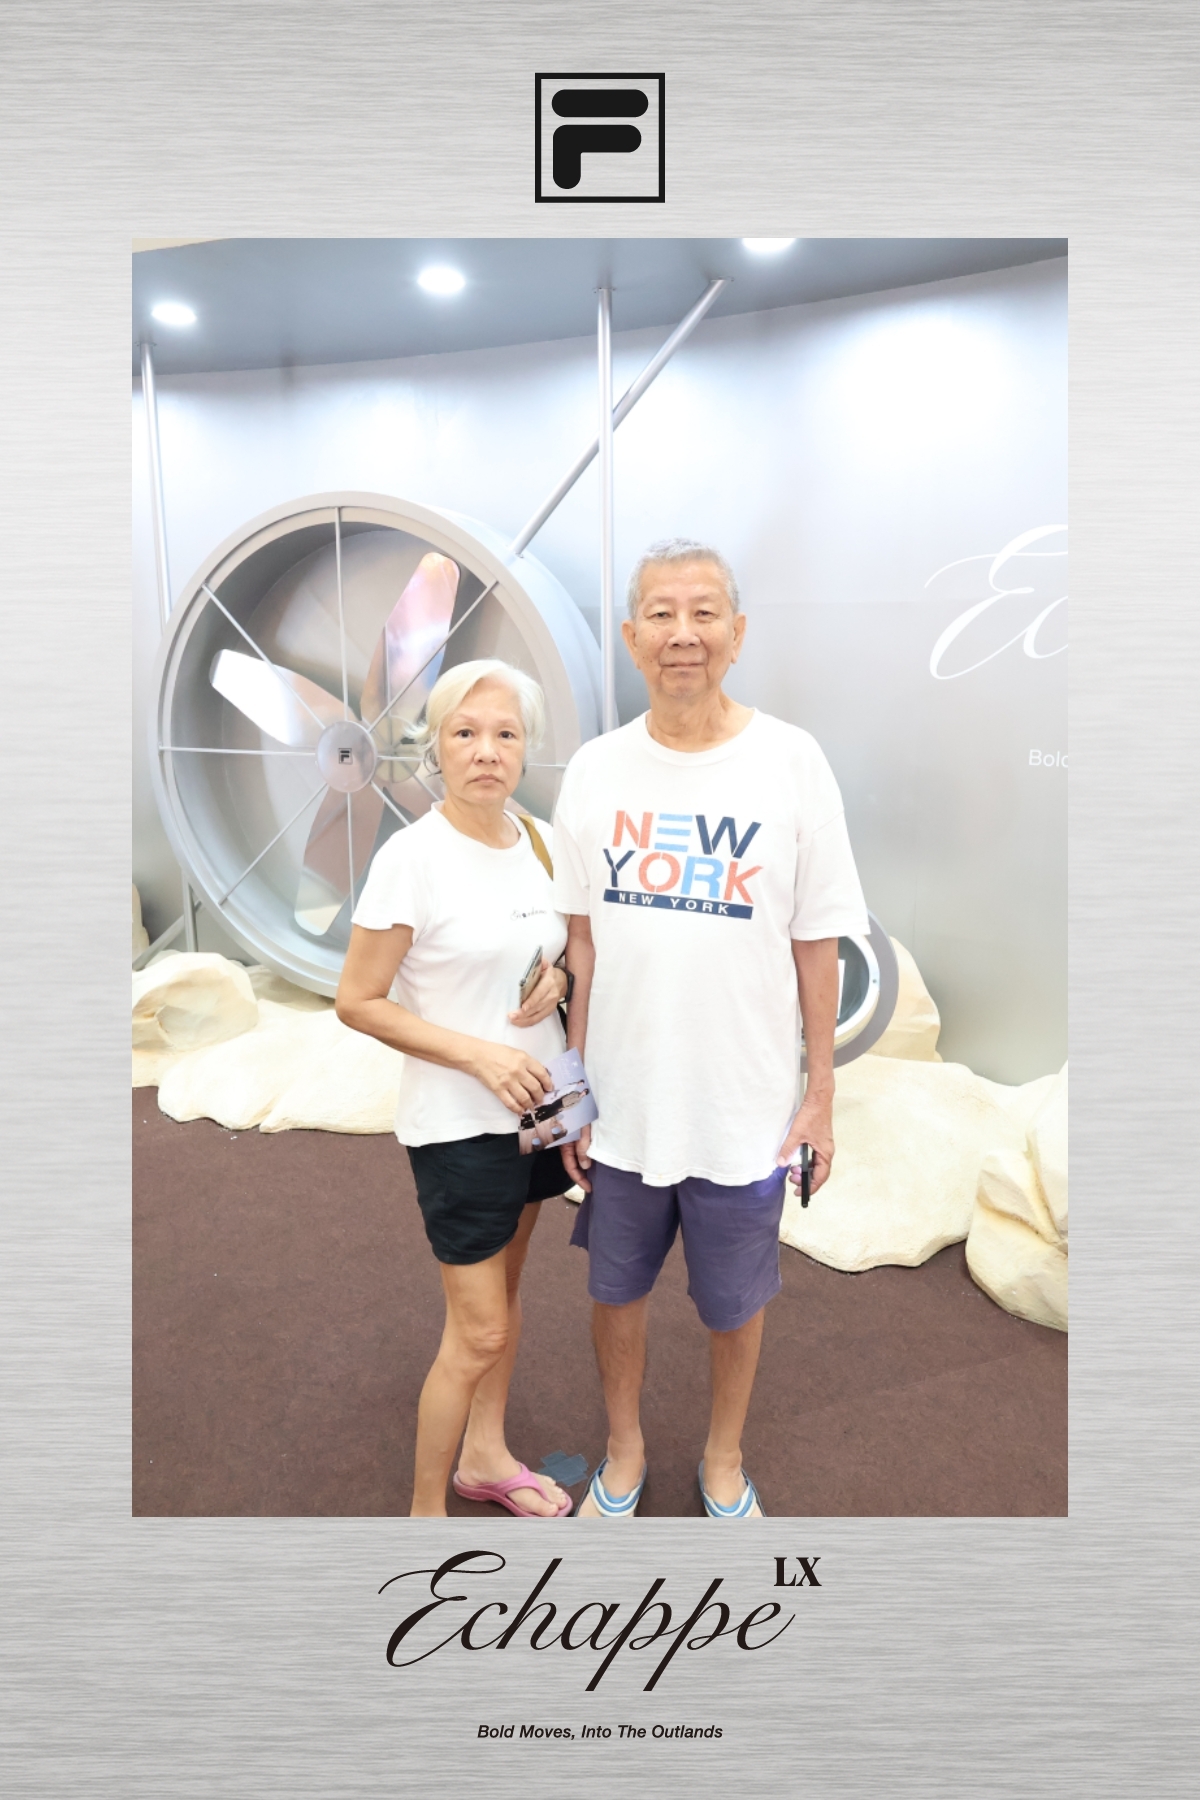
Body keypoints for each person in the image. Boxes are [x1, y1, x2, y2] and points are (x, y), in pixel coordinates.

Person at [553, 539, 870, 1519]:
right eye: (661, 613)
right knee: (615, 1293)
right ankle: (623, 1450)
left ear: (737, 632)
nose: (682, 634)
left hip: (745, 1106)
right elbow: (580, 945)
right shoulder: (596, 770)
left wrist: (820, 1097)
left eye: (703, 613)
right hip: (625, 1104)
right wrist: (572, 1091)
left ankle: (724, 1458)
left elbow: (818, 945)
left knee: (737, 1301)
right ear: (630, 636)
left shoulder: (792, 762)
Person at [336, 657, 573, 1519]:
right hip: (459, 1124)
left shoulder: (541, 841)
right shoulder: (412, 858)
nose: (486, 751)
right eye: (465, 733)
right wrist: (479, 1057)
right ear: (434, 746)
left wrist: (561, 982)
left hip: (539, 1113)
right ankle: (424, 1516)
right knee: (480, 1329)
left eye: (505, 733)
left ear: (525, 747)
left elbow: (557, 955)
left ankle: (485, 1457)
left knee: (505, 1299)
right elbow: (357, 1000)